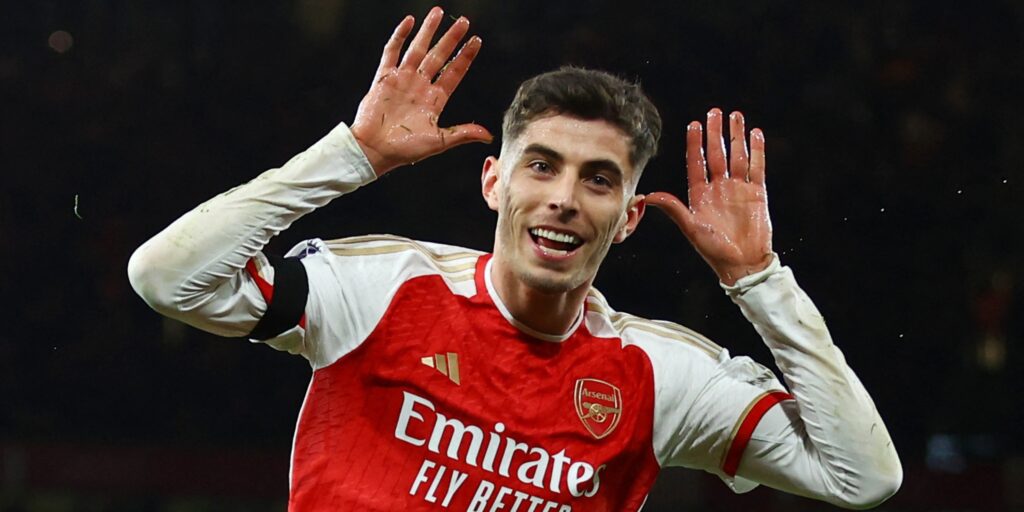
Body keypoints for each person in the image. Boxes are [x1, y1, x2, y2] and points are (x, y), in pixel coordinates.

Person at [128, 7, 901, 511]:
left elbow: (864, 479)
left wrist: (759, 281)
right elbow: (166, 278)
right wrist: (353, 155)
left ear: (629, 219)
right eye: (541, 166)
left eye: (598, 180)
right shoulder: (383, 291)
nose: (564, 198)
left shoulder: (659, 377)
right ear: (494, 182)